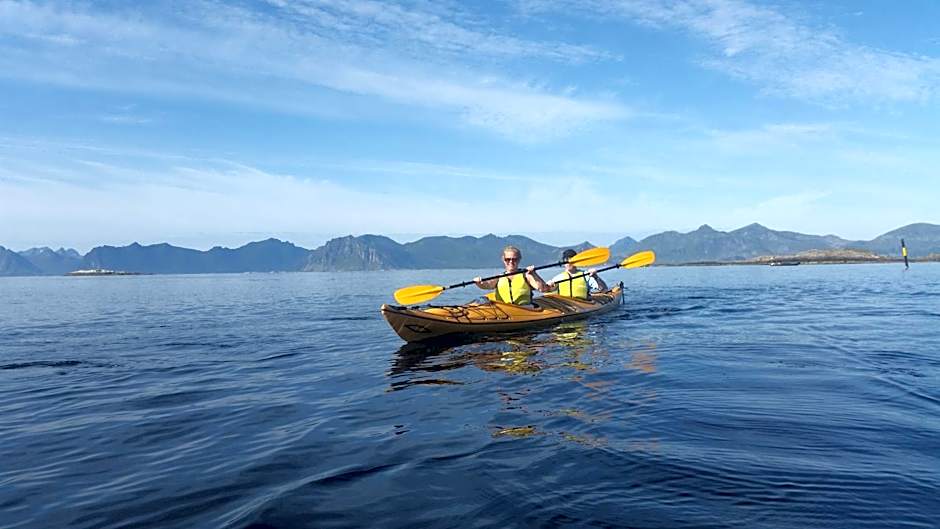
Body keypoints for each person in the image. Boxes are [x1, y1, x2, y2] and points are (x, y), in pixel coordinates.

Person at [474, 246, 549, 305]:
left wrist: (534, 274)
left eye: (514, 259)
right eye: (508, 259)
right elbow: (486, 285)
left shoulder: (526, 275)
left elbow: (543, 289)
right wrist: (479, 283)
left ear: (519, 259)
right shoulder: (499, 277)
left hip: (524, 309)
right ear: (503, 260)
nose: (511, 262)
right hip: (505, 310)